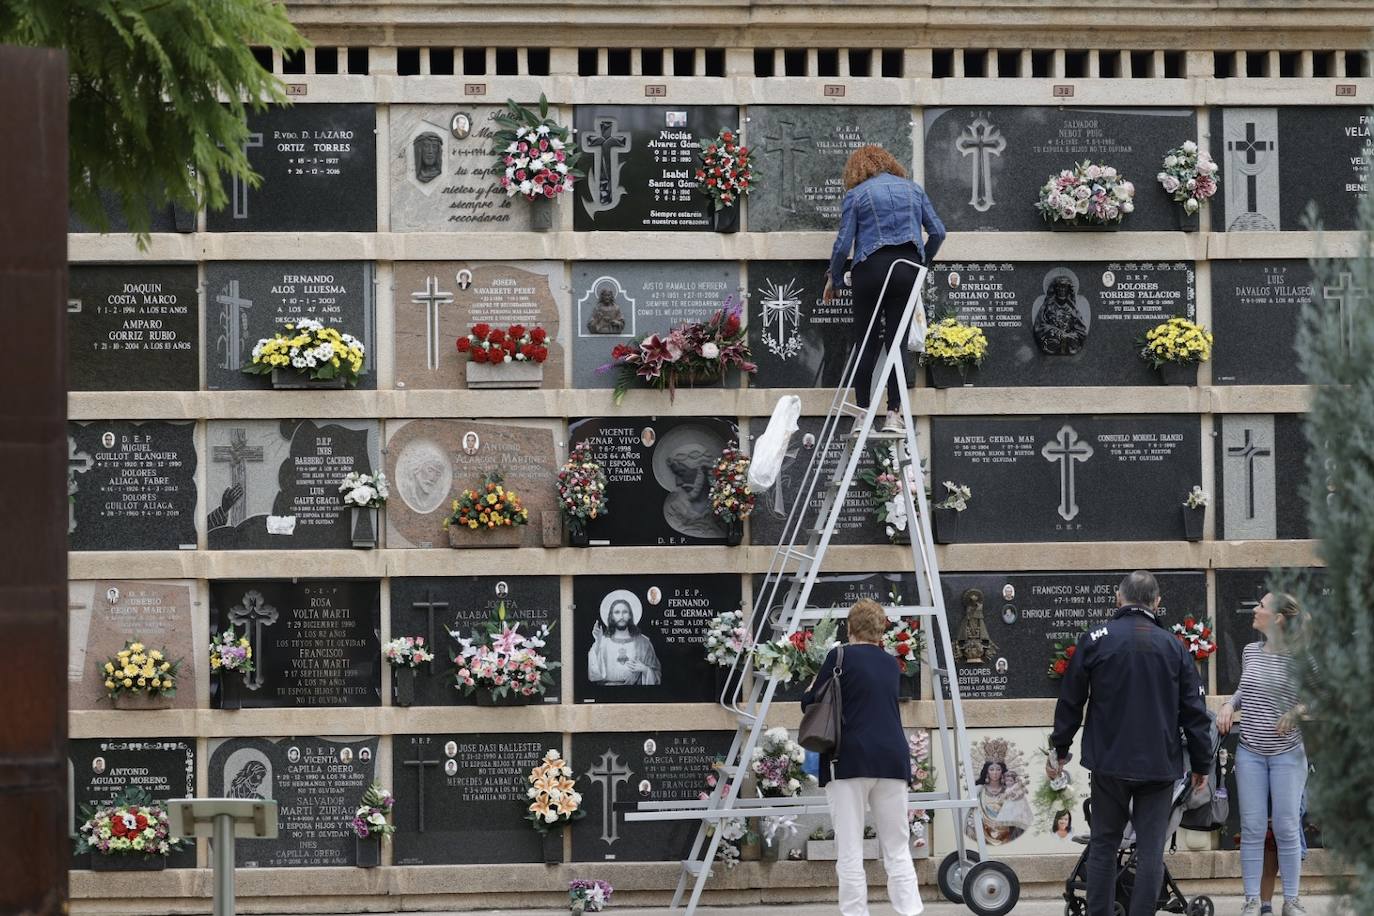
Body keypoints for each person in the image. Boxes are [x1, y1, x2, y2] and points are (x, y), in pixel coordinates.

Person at [1049, 570, 1213, 916]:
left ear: (1118, 598)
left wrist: (1060, 748)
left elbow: (1071, 699)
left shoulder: (1096, 639)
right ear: (1156, 602)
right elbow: (1195, 712)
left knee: (1105, 843)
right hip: (1158, 764)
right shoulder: (1174, 646)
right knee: (1151, 848)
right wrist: (1201, 765)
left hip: (1110, 761)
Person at [802, 598, 922, 916]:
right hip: (893, 760)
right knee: (897, 847)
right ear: (881, 630)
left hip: (849, 759)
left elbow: (811, 704)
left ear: (849, 627)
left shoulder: (838, 655)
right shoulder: (890, 663)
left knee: (851, 849)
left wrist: (811, 685)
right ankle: (910, 910)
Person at [823, 145, 945, 434]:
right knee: (896, 344)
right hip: (906, 269)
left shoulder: (857, 195)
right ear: (889, 163)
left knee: (865, 341)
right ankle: (893, 414)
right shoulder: (914, 190)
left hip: (870, 270)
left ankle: (862, 415)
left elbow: (843, 245)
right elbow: (938, 232)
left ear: (858, 168)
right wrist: (920, 261)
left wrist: (836, 279)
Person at [1218, 592, 1309, 916]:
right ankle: (1252, 901)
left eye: (1260, 606)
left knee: (1286, 826)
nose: (1254, 609)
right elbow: (1245, 689)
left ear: (1279, 618)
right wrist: (1229, 704)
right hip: (1250, 754)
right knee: (1253, 828)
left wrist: (1298, 710)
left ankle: (1292, 901)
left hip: (1287, 754)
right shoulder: (1250, 651)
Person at [588, 593, 662, 686]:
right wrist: (598, 643)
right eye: (617, 612)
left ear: (630, 615)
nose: (621, 616)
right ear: (611, 616)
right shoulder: (603, 642)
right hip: (607, 693)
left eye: (625, 612)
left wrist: (645, 670)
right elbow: (593, 675)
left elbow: (657, 675)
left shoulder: (643, 643)